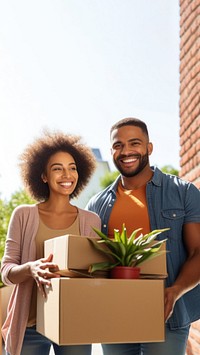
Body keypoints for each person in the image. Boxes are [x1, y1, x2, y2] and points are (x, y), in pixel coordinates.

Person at [86, 117, 200, 355]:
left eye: (134, 143)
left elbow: (198, 252)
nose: (126, 151)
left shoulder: (183, 192)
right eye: (118, 145)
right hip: (114, 315)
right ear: (111, 151)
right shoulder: (97, 204)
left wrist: (175, 290)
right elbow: (90, 261)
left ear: (149, 147)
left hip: (167, 315)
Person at [1, 130, 101, 355]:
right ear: (43, 175)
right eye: (58, 168)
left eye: (72, 167)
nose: (67, 174)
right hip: (28, 326)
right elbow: (6, 271)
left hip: (73, 322)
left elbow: (95, 274)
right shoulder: (24, 215)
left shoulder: (91, 221)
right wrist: (31, 268)